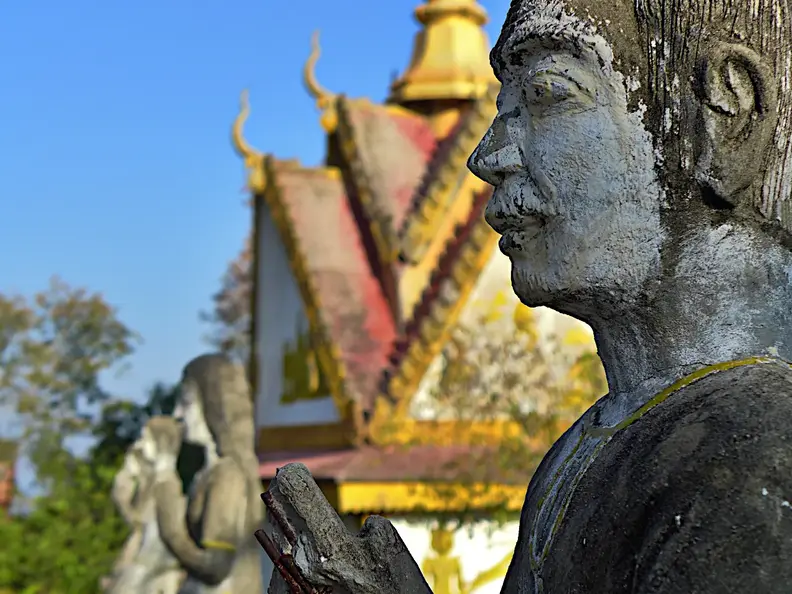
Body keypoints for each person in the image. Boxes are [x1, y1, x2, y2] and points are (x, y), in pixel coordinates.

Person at [263, 0, 792, 590]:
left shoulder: (755, 446)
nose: (487, 158)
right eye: (503, 106)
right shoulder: (593, 447)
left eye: (548, 94)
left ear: (727, 118)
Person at [153, 354, 264, 593]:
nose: (178, 413)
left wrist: (171, 530)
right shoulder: (209, 473)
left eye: (186, 402)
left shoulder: (228, 475)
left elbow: (215, 567)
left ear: (211, 403)